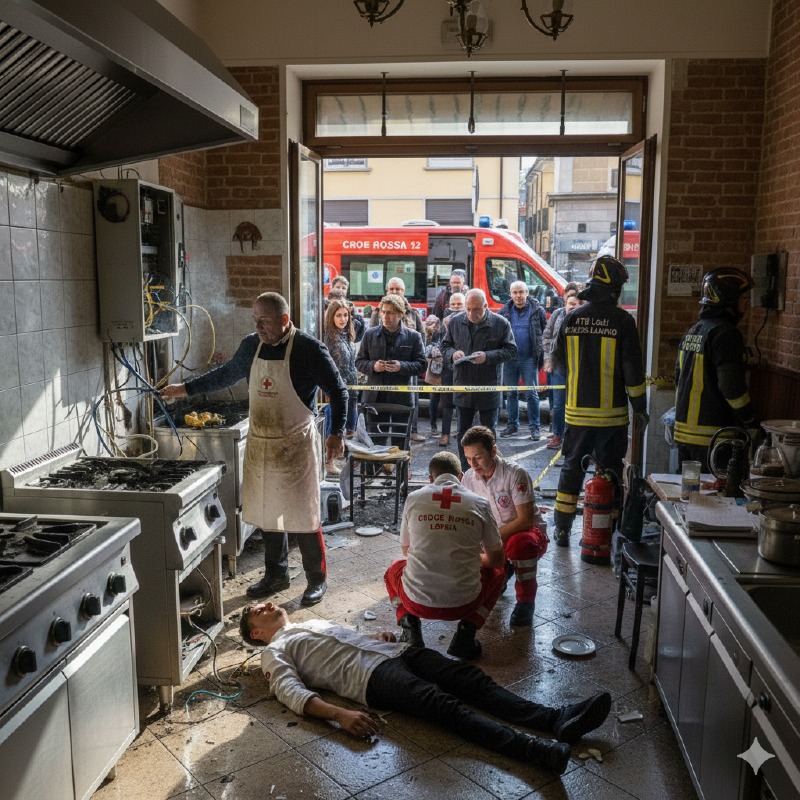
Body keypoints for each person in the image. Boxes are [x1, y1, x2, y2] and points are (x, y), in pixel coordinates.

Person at [240, 601, 612, 774]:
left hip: (396, 652)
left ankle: (554, 719)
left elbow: (347, 638)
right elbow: (291, 693)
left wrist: (374, 634)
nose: (267, 604)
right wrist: (339, 714)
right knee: (445, 706)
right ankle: (534, 751)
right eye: (258, 610)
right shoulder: (274, 651)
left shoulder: (313, 624)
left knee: (472, 680)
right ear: (256, 634)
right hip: (372, 679)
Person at [160, 292, 347, 606]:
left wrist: (336, 433)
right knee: (268, 511)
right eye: (255, 320)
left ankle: (317, 579)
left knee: (304, 516)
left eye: (265, 321)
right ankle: (276, 575)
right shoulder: (251, 346)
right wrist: (185, 389)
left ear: (285, 320)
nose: (258, 326)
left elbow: (339, 391)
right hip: (262, 444)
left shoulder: (309, 349)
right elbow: (227, 374)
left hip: (296, 445)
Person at [551, 256, 648, 547]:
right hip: (612, 417)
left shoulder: (572, 317)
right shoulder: (623, 321)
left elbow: (558, 360)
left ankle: (563, 529)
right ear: (615, 288)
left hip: (576, 414)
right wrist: (640, 408)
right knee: (610, 472)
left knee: (571, 470)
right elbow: (632, 371)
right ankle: (610, 527)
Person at [384, 451, 506, 660]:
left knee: (393, 570)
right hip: (466, 603)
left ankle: (409, 627)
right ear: (460, 477)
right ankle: (466, 634)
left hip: (416, 602)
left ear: (431, 479)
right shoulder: (479, 503)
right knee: (498, 572)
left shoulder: (414, 498)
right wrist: (470, 559)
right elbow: (496, 560)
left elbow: (407, 550)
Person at [461, 426, 549, 627]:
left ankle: (526, 601)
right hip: (495, 539)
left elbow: (525, 520)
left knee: (520, 543)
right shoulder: (468, 478)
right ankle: (503, 571)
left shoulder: (515, 474)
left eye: (478, 457)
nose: (473, 464)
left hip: (527, 534)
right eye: (468, 458)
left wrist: (491, 539)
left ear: (493, 451)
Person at [673, 267, 757, 470]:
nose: (745, 304)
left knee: (690, 495)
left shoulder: (693, 330)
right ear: (729, 299)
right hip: (713, 436)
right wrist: (750, 419)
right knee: (715, 497)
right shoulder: (726, 334)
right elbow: (731, 386)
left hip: (684, 434)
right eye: (743, 299)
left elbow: (678, 376)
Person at [440, 288, 517, 472]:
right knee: (463, 433)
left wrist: (488, 356)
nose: (471, 314)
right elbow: (444, 346)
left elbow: (511, 350)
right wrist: (452, 354)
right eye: (468, 309)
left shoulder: (500, 323)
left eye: (476, 309)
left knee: (488, 433)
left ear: (485, 306)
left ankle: (490, 471)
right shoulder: (455, 322)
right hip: (463, 385)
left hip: (488, 386)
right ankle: (466, 472)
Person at [356, 294, 426, 440]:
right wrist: (373, 366)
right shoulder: (370, 334)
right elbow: (359, 362)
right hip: (375, 398)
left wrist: (402, 366)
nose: (385, 316)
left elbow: (422, 364)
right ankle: (377, 464)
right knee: (375, 441)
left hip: (401, 398)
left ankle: (399, 464)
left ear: (400, 314)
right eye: (383, 311)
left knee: (400, 442)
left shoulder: (413, 336)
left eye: (390, 312)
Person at [498, 281, 547, 441]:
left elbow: (544, 332)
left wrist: (542, 354)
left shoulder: (537, 310)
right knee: (511, 394)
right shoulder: (504, 311)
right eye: (515, 292)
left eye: (521, 292)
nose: (518, 295)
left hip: (529, 358)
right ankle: (512, 425)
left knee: (531, 394)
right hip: (510, 359)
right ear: (510, 294)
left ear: (527, 293)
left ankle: (535, 428)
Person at [542, 286, 582, 451]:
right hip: (559, 365)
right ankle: (558, 435)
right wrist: (548, 359)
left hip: (579, 368)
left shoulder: (585, 319)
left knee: (576, 403)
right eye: (571, 303)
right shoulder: (558, 315)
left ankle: (573, 437)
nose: (573, 306)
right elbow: (546, 337)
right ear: (566, 303)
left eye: (578, 304)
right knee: (558, 404)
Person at [323, 298, 359, 473]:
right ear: (331, 317)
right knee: (334, 427)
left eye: (345, 315)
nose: (343, 319)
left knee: (348, 427)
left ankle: (341, 459)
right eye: (339, 315)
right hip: (337, 390)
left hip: (351, 388)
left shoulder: (346, 335)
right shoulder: (330, 339)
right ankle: (329, 462)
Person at [428, 291, 464, 446]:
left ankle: (463, 433)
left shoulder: (469, 320)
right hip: (448, 367)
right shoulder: (443, 322)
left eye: (459, 304)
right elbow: (440, 344)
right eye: (453, 304)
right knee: (447, 402)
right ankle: (445, 434)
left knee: (464, 402)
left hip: (465, 367)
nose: (456, 307)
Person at [326, 276, 366, 342]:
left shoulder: (350, 306)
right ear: (332, 288)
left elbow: (359, 329)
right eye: (338, 287)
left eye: (344, 288)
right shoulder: (325, 304)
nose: (340, 290)